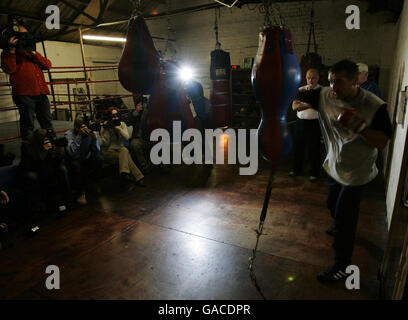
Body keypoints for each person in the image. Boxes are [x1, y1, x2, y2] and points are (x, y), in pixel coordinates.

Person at [293, 59, 392, 282]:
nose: (333, 87)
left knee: (346, 220)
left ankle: (341, 265)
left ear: (355, 80)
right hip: (335, 165)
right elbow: (293, 94)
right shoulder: (325, 95)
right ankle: (338, 224)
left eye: (339, 82)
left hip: (357, 172)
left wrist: (361, 127)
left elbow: (382, 141)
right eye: (330, 81)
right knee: (332, 204)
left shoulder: (375, 106)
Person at [1, 21, 55, 140]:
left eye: (26, 35)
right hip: (24, 94)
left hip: (41, 93)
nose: (23, 38)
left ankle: (51, 149)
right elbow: (9, 69)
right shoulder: (9, 53)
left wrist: (33, 53)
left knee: (47, 123)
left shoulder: (31, 52)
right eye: (20, 36)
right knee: (28, 126)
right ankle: (29, 153)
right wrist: (11, 50)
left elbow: (47, 65)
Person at [19, 129, 72, 215]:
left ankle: (67, 201)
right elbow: (29, 167)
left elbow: (52, 165)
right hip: (31, 171)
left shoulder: (48, 145)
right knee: (33, 176)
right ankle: (37, 208)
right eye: (44, 139)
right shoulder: (27, 147)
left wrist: (58, 155)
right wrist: (42, 154)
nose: (47, 141)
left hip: (46, 169)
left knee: (62, 169)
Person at [99, 107, 146, 188]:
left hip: (120, 151)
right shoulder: (105, 126)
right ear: (110, 116)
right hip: (108, 152)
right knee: (125, 154)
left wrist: (119, 129)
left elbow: (127, 137)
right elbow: (105, 144)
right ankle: (137, 178)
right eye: (113, 115)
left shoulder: (122, 124)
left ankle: (125, 173)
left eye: (117, 115)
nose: (115, 117)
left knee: (124, 150)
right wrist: (107, 130)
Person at [290, 68, 322, 182]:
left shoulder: (322, 91)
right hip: (300, 122)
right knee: (298, 146)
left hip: (314, 123)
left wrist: (304, 104)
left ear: (318, 78)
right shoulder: (301, 90)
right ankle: (296, 169)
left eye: (313, 78)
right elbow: (295, 107)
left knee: (313, 148)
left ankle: (314, 173)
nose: (310, 80)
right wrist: (311, 104)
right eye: (308, 78)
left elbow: (320, 106)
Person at [65, 115, 103, 205]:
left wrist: (94, 138)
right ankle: (80, 193)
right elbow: (72, 152)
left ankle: (95, 182)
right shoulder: (69, 134)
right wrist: (79, 136)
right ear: (77, 127)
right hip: (76, 159)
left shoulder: (90, 133)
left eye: (85, 126)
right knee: (76, 165)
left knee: (99, 159)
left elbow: (98, 150)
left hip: (87, 158)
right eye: (82, 127)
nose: (84, 129)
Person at [128, 97, 151, 174]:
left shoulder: (149, 114)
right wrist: (137, 111)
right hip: (138, 138)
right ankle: (144, 166)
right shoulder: (135, 115)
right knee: (134, 144)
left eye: (143, 104)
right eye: (139, 104)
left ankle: (163, 164)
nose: (142, 106)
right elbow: (128, 121)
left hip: (149, 138)